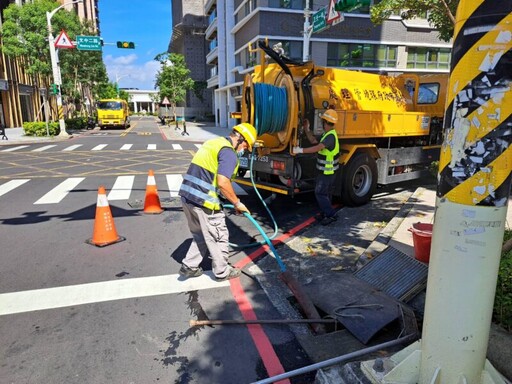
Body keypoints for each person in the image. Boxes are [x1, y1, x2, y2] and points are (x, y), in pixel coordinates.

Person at [178, 123, 257, 281]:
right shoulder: (229, 153)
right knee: (219, 236)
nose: (246, 150)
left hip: (187, 197)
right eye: (246, 146)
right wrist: (237, 203)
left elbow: (209, 174)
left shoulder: (214, 143)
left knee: (200, 234)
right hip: (204, 203)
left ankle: (189, 266)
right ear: (240, 139)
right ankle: (222, 272)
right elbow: (222, 182)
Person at [293, 109, 340, 225]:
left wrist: (300, 150)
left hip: (328, 173)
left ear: (326, 122)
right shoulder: (326, 135)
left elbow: (317, 148)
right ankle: (325, 212)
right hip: (324, 171)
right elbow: (313, 140)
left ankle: (331, 215)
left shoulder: (330, 137)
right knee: (326, 193)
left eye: (323, 121)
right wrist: (307, 129)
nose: (322, 123)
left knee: (320, 193)